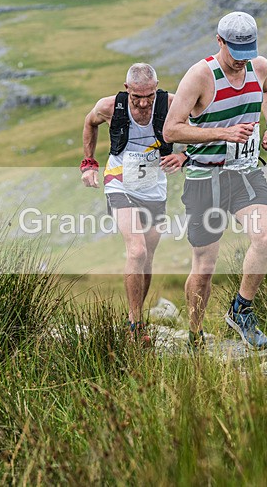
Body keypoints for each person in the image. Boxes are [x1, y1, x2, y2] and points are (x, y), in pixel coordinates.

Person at [163, 11, 267, 351]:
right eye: (235, 53)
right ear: (219, 42)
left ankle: (241, 310)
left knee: (266, 238)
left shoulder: (259, 66)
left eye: (248, 51)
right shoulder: (200, 76)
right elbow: (172, 129)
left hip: (245, 170)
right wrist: (223, 132)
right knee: (205, 264)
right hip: (205, 176)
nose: (242, 60)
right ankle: (196, 333)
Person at [80, 63, 186, 345]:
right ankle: (135, 325)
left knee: (148, 256)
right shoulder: (109, 107)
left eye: (149, 95)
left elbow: (198, 127)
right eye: (136, 96)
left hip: (154, 189)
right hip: (119, 182)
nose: (142, 102)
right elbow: (89, 123)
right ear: (127, 89)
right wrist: (89, 164)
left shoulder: (172, 104)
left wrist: (184, 156)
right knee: (136, 250)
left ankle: (138, 321)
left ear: (157, 87)